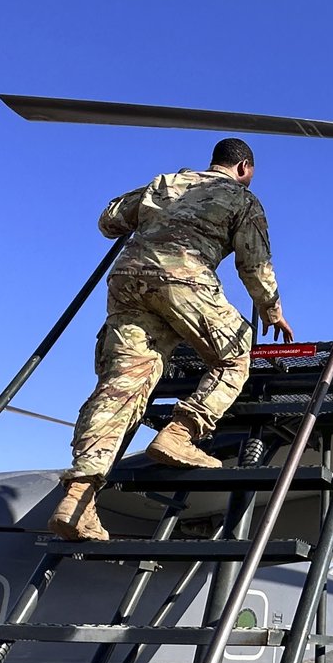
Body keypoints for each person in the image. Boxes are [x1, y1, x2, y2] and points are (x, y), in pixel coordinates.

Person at [50, 138, 295, 540]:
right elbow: (254, 263)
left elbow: (109, 220)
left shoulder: (166, 181)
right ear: (245, 167)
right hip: (184, 278)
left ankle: (78, 500)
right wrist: (272, 310)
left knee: (121, 386)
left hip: (128, 281)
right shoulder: (242, 198)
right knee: (235, 354)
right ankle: (181, 433)